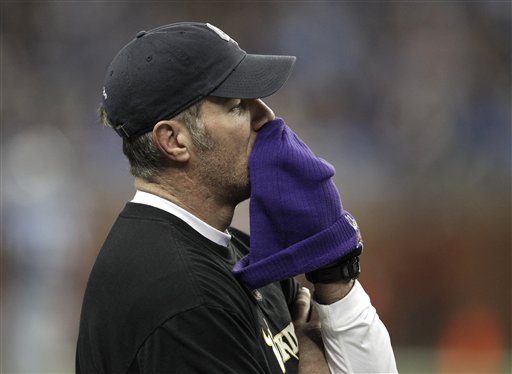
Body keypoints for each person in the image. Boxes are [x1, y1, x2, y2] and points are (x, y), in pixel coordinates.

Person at [76, 22, 397, 373]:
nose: (266, 116)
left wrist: (335, 273)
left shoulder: (238, 254)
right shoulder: (181, 297)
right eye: (236, 106)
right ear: (174, 141)